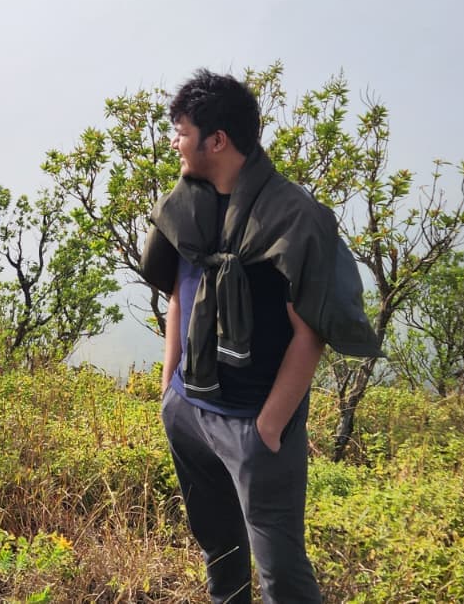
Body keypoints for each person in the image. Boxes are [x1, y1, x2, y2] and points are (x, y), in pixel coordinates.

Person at [140, 69, 382, 603]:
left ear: (218, 140)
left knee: (281, 574)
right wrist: (168, 391)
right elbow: (181, 292)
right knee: (220, 548)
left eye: (181, 130)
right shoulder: (186, 204)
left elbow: (309, 331)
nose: (175, 141)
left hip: (253, 425)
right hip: (188, 410)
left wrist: (270, 425)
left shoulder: (293, 217)